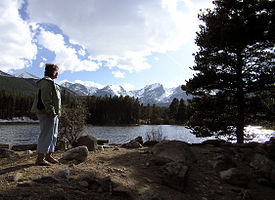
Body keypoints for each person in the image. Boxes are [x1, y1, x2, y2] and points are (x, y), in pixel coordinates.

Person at [31, 64, 61, 166]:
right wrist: (51, 110)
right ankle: (40, 158)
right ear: (52, 71)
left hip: (53, 113)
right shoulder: (46, 82)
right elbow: (46, 98)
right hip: (47, 113)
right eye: (56, 71)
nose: (58, 73)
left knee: (53, 134)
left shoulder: (51, 82)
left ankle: (48, 155)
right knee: (46, 134)